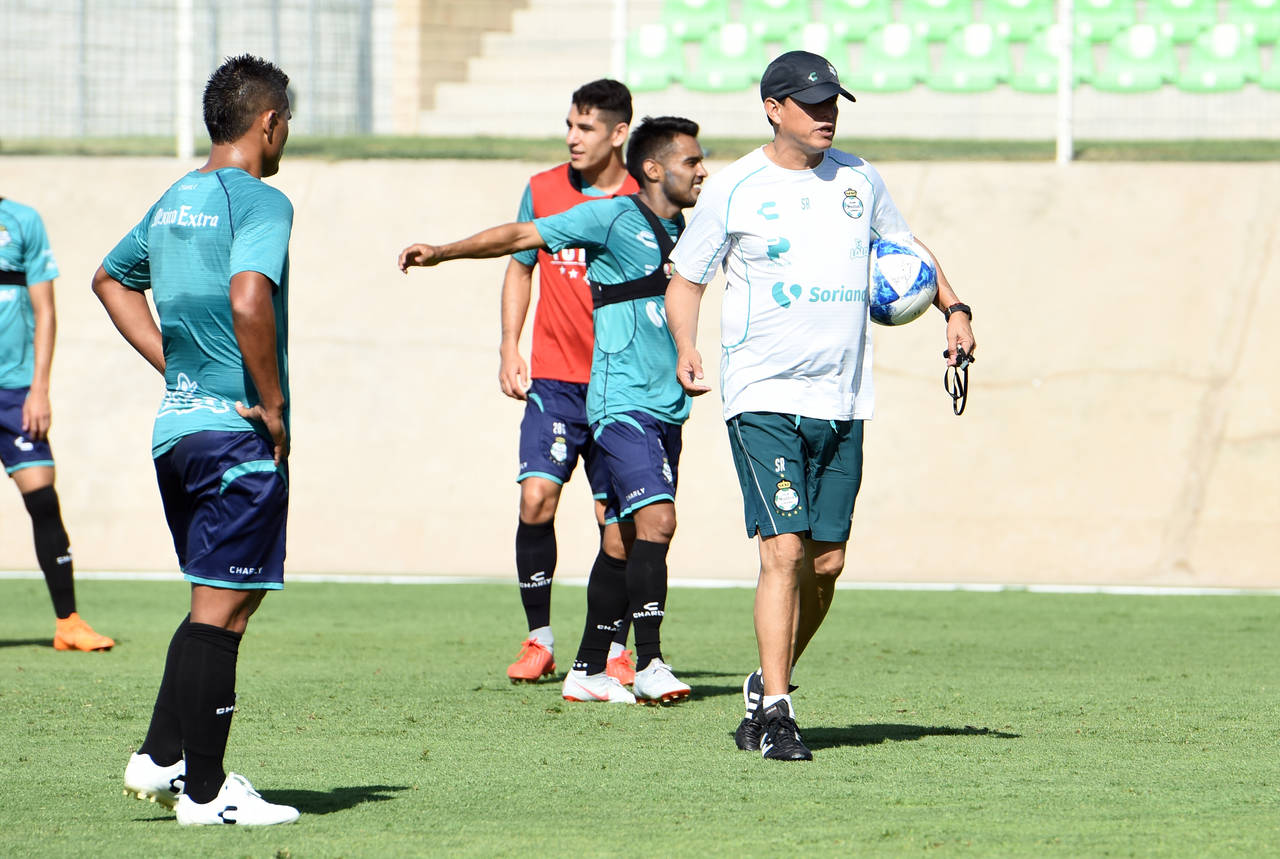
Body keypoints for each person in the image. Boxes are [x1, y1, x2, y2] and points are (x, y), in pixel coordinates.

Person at [665, 51, 977, 760]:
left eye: (834, 102)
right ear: (773, 109)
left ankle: (765, 680)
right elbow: (686, 278)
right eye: (812, 104)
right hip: (763, 395)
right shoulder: (736, 187)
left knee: (826, 563)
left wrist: (954, 308)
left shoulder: (860, 178)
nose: (827, 115)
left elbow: (905, 249)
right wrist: (686, 346)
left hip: (842, 397)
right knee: (783, 550)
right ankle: (778, 712)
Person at [399, 116, 708, 705]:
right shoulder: (611, 217)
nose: (702, 172)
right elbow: (521, 237)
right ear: (653, 169)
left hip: (666, 406)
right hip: (622, 404)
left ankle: (587, 670)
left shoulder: (685, 230)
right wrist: (442, 252)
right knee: (658, 522)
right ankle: (648, 662)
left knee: (620, 541)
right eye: (691, 162)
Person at [92, 54, 300, 825]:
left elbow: (110, 278)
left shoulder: (174, 197)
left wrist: (174, 365)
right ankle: (206, 794)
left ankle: (160, 755)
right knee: (224, 611)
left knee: (220, 598)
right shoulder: (260, 200)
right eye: (286, 123)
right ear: (268, 123)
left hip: (176, 433)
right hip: (232, 435)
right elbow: (249, 298)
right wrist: (271, 405)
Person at [500, 80, 640, 685]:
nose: (572, 138)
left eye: (586, 128)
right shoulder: (542, 190)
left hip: (619, 387)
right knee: (536, 498)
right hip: (555, 381)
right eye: (569, 125)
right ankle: (539, 639)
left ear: (619, 133)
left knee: (619, 524)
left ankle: (615, 648)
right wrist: (510, 345)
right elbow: (519, 267)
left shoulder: (644, 199)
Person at [0, 196, 115, 652]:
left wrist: (39, 388)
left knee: (43, 500)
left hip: (15, 393)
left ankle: (68, 623)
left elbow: (45, 310)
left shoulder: (22, 221)